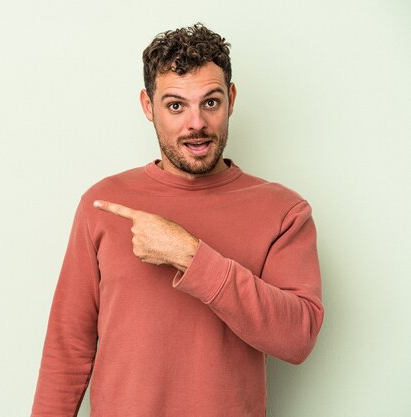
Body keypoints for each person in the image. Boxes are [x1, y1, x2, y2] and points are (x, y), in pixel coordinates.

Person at [31, 23, 324, 417]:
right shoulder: (102, 204)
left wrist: (190, 255)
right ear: (147, 106)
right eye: (175, 105)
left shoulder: (284, 211)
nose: (196, 124)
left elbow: (298, 337)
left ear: (231, 99)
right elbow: (68, 346)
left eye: (210, 102)